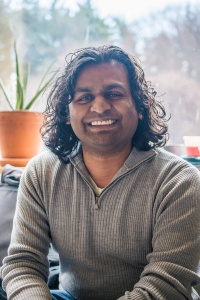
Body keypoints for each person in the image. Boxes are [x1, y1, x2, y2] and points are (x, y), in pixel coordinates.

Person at [1, 45, 200, 300]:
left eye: (114, 94)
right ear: (66, 114)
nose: (99, 107)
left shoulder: (179, 181)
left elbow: (167, 283)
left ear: (139, 107)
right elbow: (23, 264)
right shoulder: (41, 173)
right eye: (84, 98)